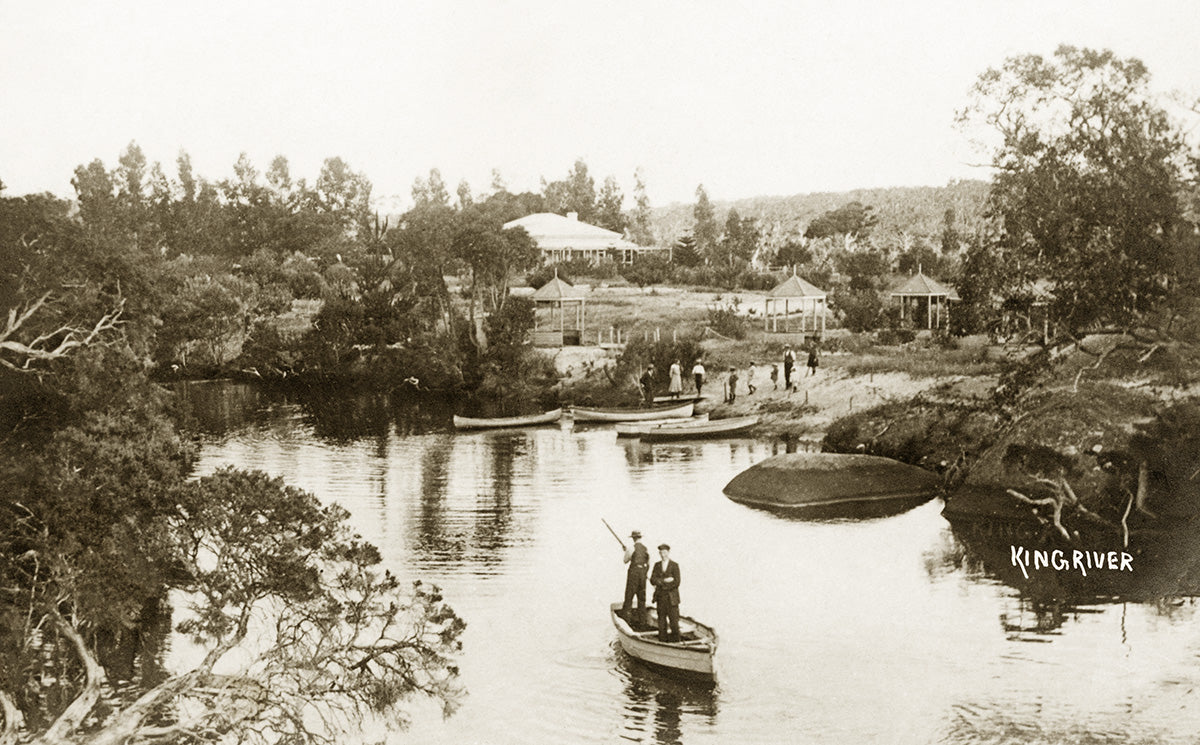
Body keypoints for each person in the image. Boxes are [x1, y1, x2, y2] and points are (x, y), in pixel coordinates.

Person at [650, 543, 681, 642]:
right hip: (660, 598)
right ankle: (662, 642)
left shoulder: (674, 565)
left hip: (672, 599)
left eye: (664, 552)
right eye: (660, 553)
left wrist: (661, 585)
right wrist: (664, 581)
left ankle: (676, 643)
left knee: (674, 623)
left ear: (668, 552)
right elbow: (652, 580)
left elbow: (677, 582)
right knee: (661, 622)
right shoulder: (657, 565)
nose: (662, 555)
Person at [622, 530, 650, 625]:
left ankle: (626, 622)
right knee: (642, 599)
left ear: (633, 538)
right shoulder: (646, 549)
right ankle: (642, 623)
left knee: (629, 598)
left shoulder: (631, 548)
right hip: (643, 575)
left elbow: (625, 560)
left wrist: (625, 551)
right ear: (640, 537)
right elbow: (648, 563)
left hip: (634, 575)